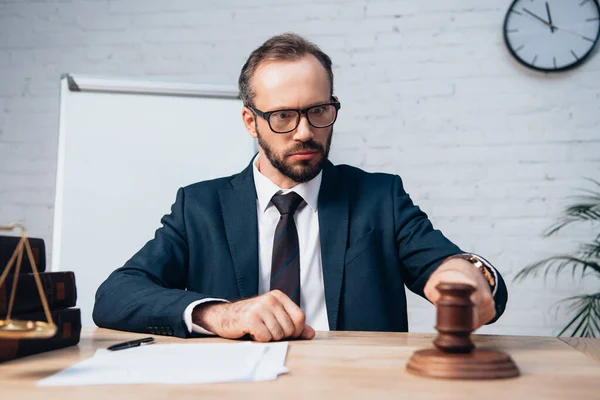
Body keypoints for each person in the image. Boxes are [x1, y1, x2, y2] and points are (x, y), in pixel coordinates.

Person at [93, 33, 507, 342]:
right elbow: (114, 296)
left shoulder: (380, 198)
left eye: (318, 111)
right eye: (283, 117)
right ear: (250, 122)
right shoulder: (199, 206)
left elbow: (450, 265)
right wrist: (220, 315)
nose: (305, 133)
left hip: (358, 387)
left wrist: (468, 276)